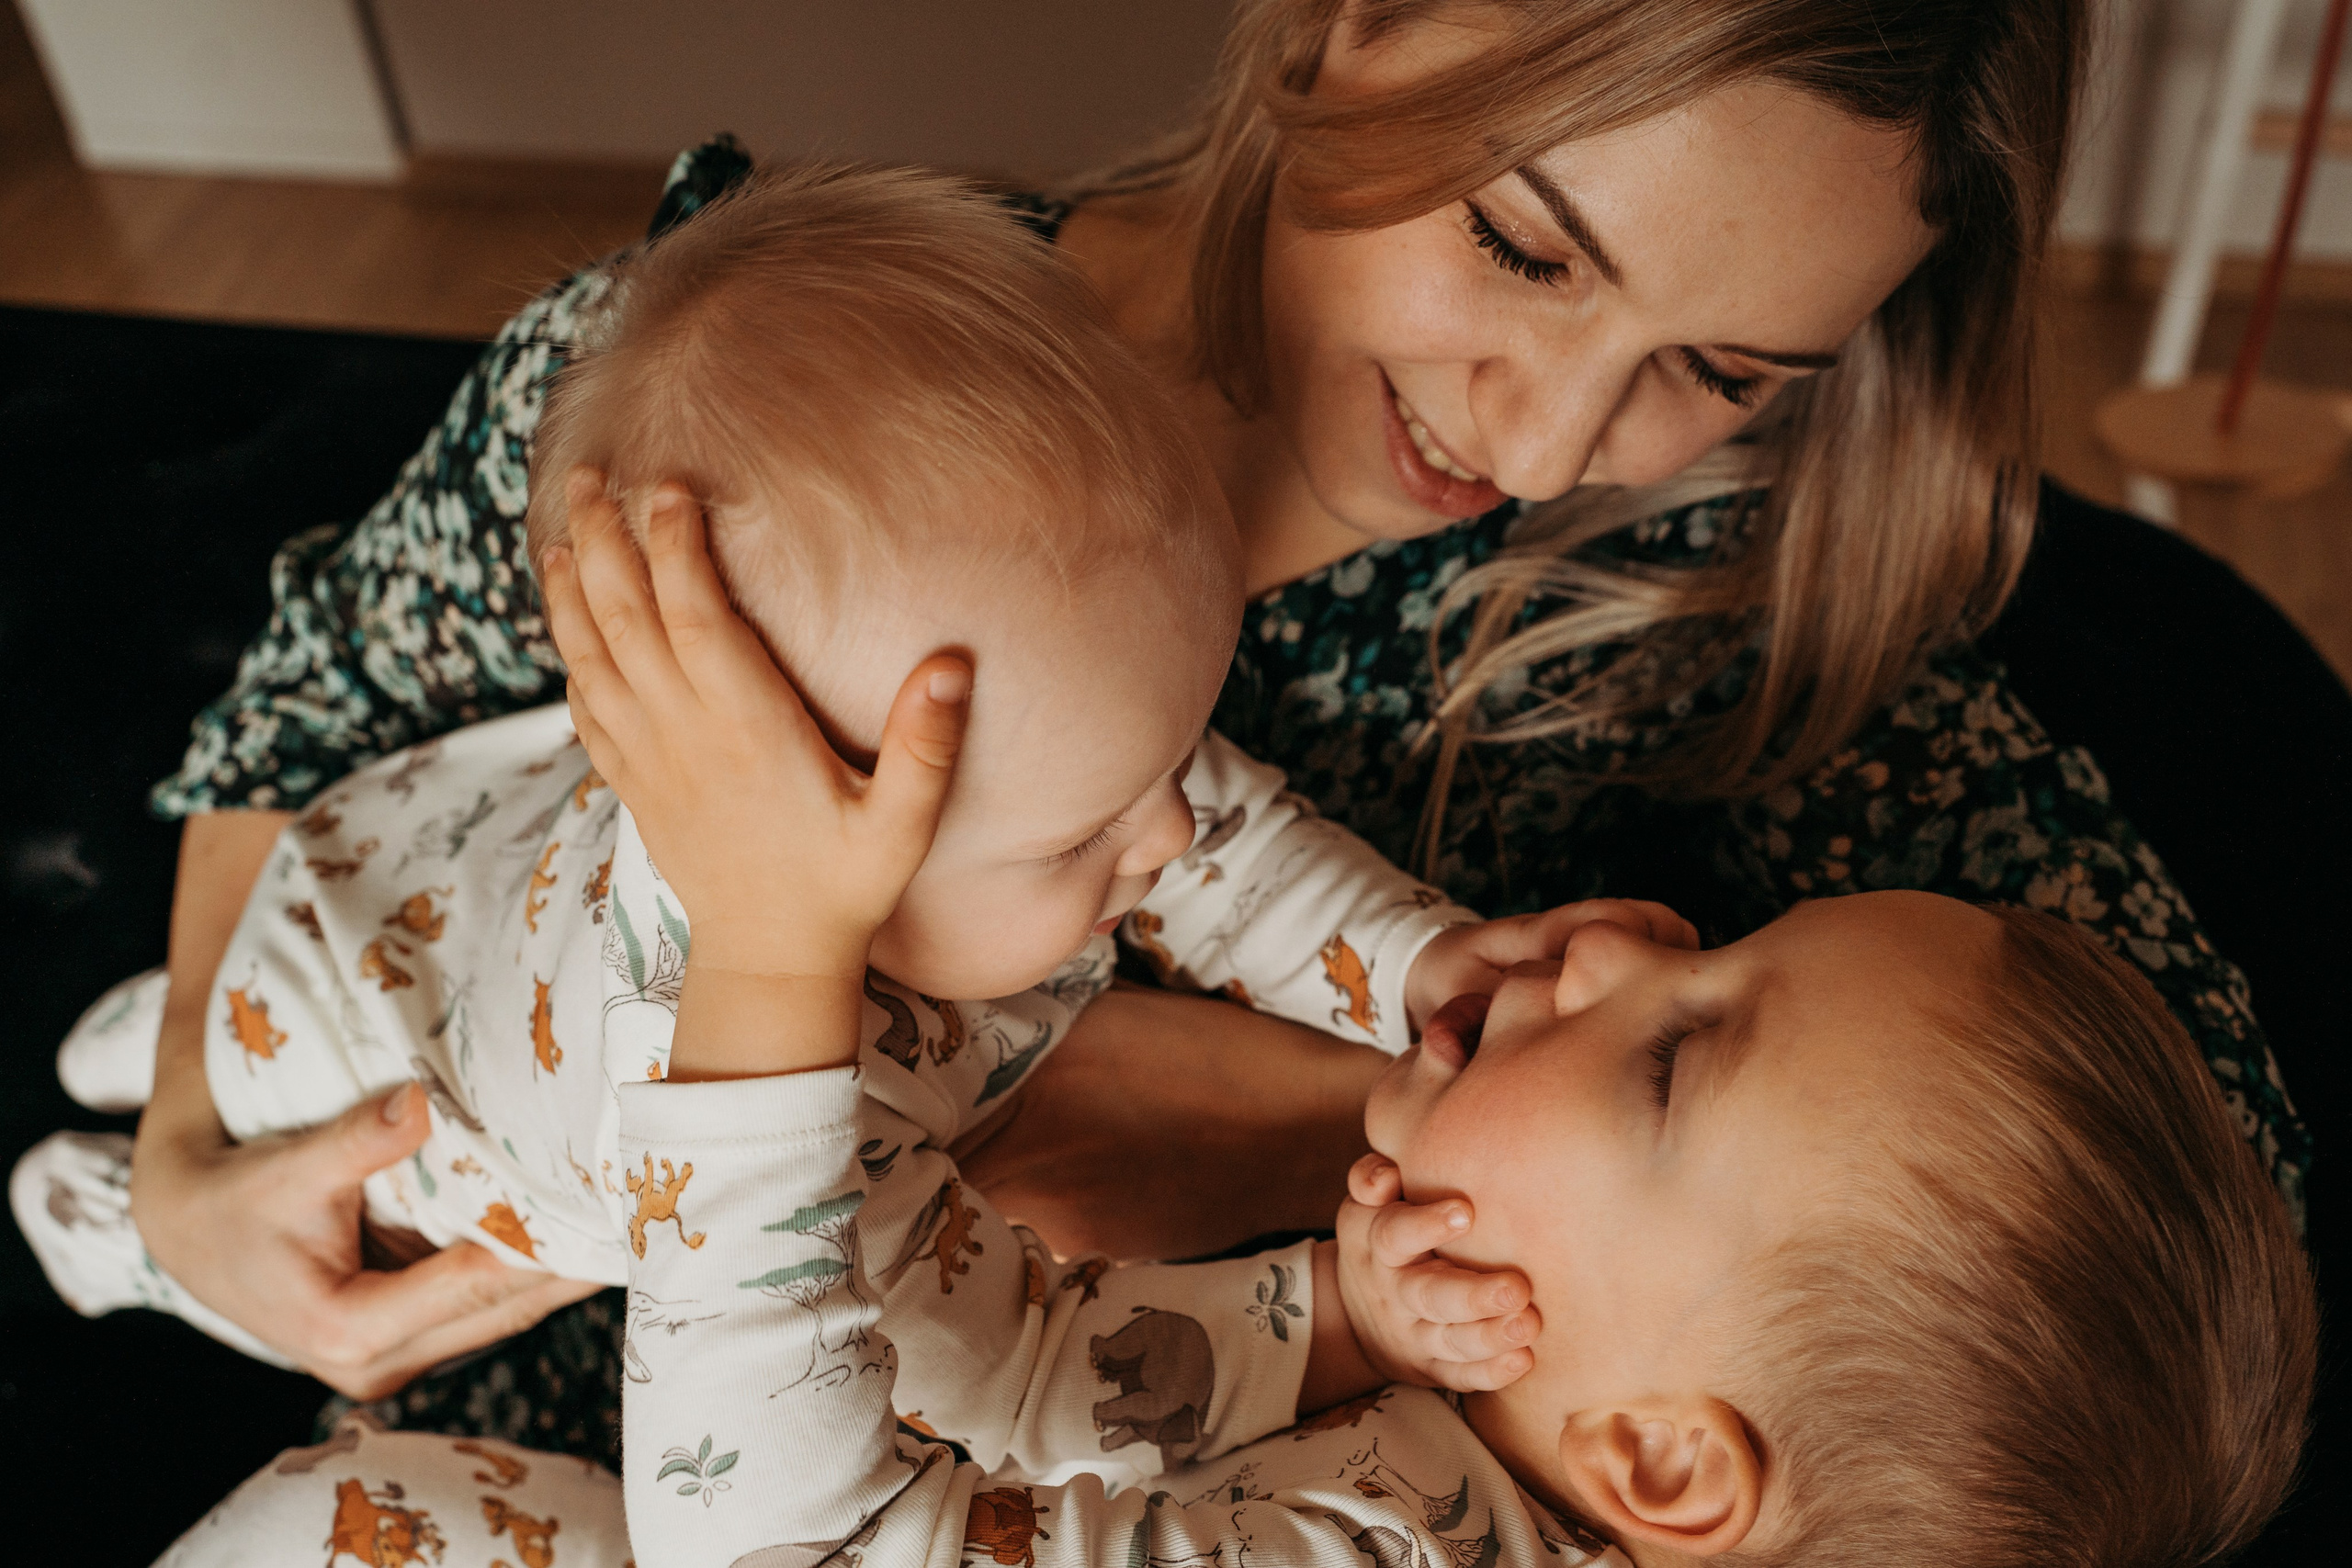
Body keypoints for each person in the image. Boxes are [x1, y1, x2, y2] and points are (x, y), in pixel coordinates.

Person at [115, 0, 2301, 1452]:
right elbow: (318, 708)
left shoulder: (1673, 606)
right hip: (587, 1359)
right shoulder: (762, 368)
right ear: (1348, 27)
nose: (1546, 441)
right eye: (1524, 251)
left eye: (1718, 369)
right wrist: (192, 1163)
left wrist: (1380, 1114)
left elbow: (2187, 1175)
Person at [20, 167, 1623, 1479]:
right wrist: (1339, 1315)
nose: (1164, 848)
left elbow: (1228, 848)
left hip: (425, 864)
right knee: (294, 1175)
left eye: (1162, 777)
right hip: (396, 1094)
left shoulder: (1032, 759)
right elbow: (1036, 1371)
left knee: (291, 969)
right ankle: (110, 1214)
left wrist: (1415, 961)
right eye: (1082, 843)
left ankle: (152, 1030)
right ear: (828, 821)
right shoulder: (784, 1127)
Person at [152, 610, 2317, 1568]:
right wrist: (1343, 1318)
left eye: (1678, 1047)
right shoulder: (1469, 1467)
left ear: (1661, 1457)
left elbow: (789, 1536)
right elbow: (1056, 1436)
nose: (1632, 931)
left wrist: (772, 983)